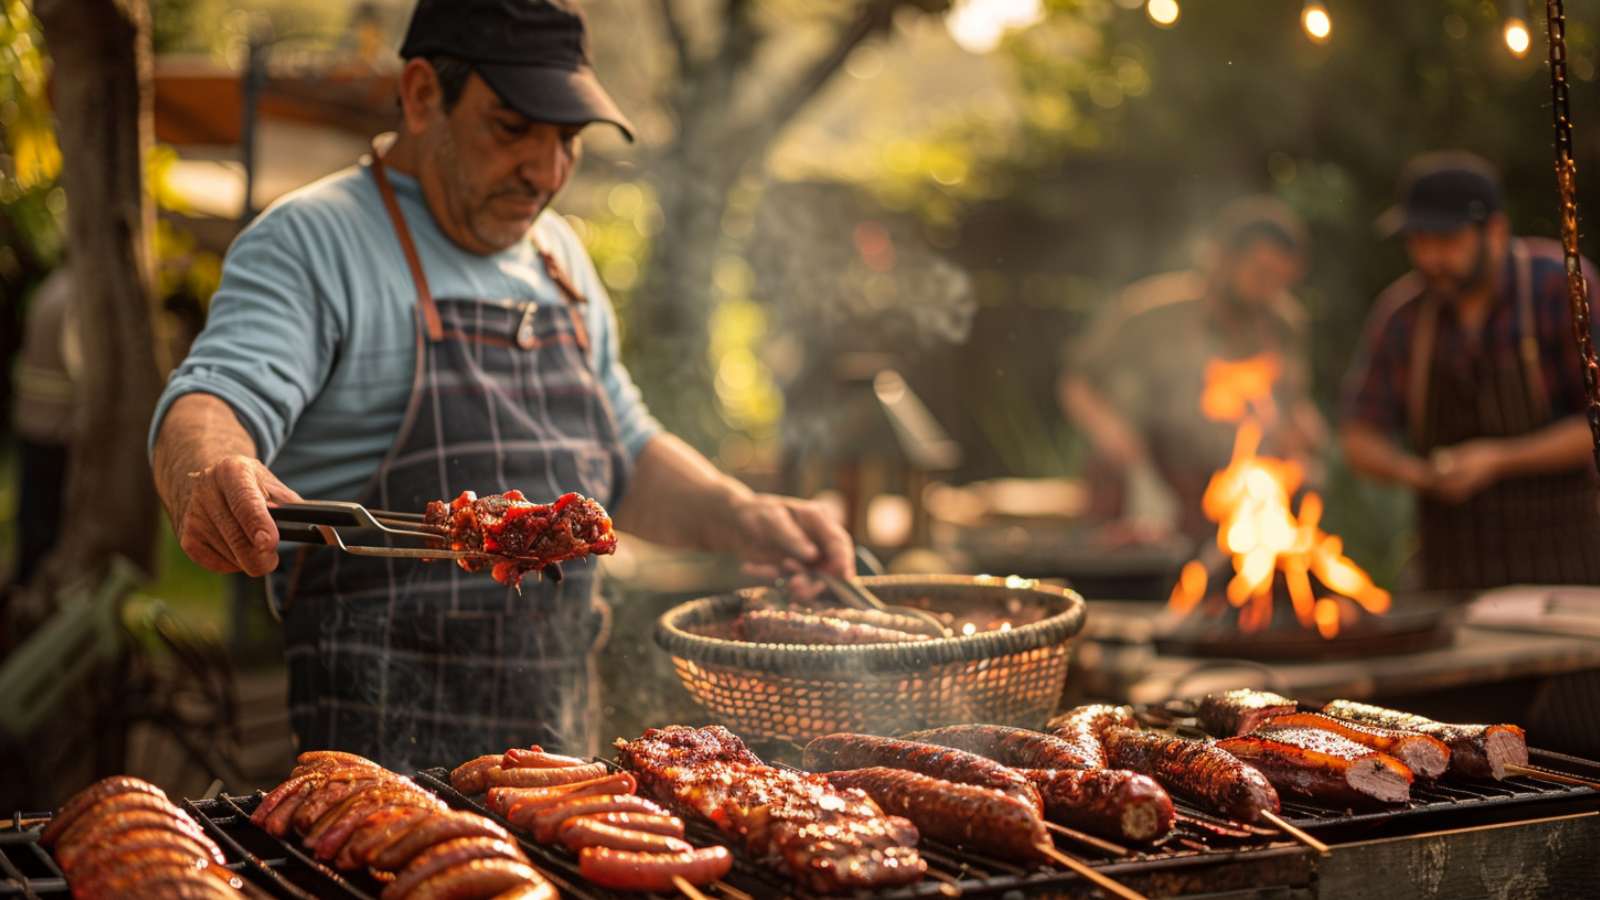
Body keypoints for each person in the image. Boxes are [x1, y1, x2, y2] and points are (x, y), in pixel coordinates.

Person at [148, 0, 851, 771]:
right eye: (513, 129)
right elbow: (216, 394)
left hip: (557, 770)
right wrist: (208, 471)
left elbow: (624, 454)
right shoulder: (312, 241)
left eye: (568, 140)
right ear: (422, 95)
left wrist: (746, 516)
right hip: (381, 774)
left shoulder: (559, 257)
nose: (546, 172)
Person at [1340, 151, 1600, 591]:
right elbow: (1359, 439)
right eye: (1419, 241)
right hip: (1453, 572)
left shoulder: (1561, 288)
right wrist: (1420, 474)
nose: (1429, 257)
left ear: (1495, 232)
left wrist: (1498, 460)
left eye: (1446, 241)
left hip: (1568, 566)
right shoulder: (1403, 316)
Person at [1061, 197, 1327, 544]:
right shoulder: (1151, 315)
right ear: (1223, 259)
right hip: (1149, 482)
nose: (1270, 289)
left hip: (1232, 490)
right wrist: (1111, 434)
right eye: (1261, 273)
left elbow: (1293, 404)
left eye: (1281, 279)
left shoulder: (1283, 325)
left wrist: (1303, 435)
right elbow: (1078, 381)